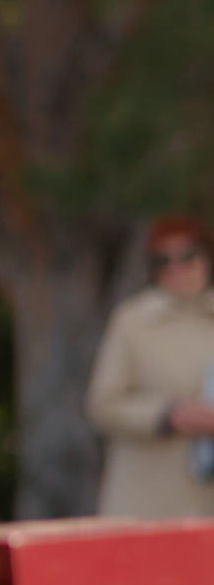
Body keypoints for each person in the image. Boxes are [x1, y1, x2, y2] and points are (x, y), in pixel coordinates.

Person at [88, 213, 214, 517]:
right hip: (149, 498)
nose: (176, 268)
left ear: (206, 257)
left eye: (187, 256)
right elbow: (103, 405)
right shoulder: (132, 321)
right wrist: (167, 414)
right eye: (163, 261)